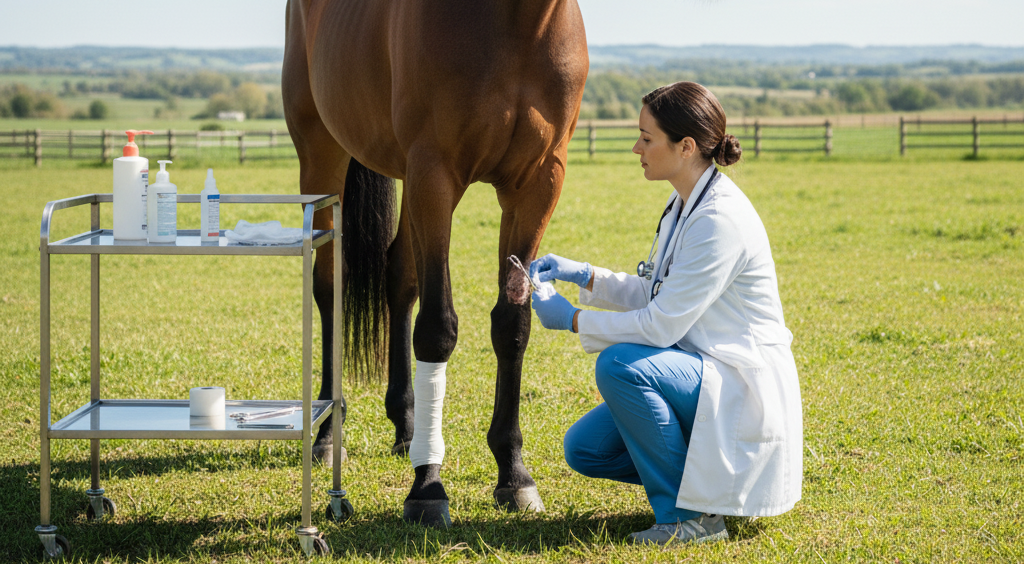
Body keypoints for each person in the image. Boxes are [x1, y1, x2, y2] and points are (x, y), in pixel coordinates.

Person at [529, 82, 802, 546]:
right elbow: (656, 291)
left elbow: (659, 325)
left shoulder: (719, 220)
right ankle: (704, 491)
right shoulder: (684, 203)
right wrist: (586, 276)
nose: (636, 147)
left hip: (740, 386)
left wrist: (572, 319)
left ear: (686, 146)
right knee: (586, 449)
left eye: (647, 138)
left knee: (619, 365)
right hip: (702, 370)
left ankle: (690, 520)